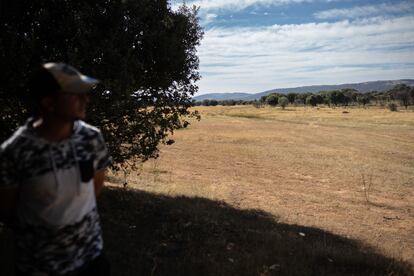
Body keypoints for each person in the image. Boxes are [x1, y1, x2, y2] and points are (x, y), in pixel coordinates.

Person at [0, 63, 112, 276]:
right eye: (75, 94)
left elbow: (94, 189)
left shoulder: (91, 138)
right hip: (39, 267)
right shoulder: (15, 152)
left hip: (91, 260)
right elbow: (7, 211)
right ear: (49, 103)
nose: (85, 99)